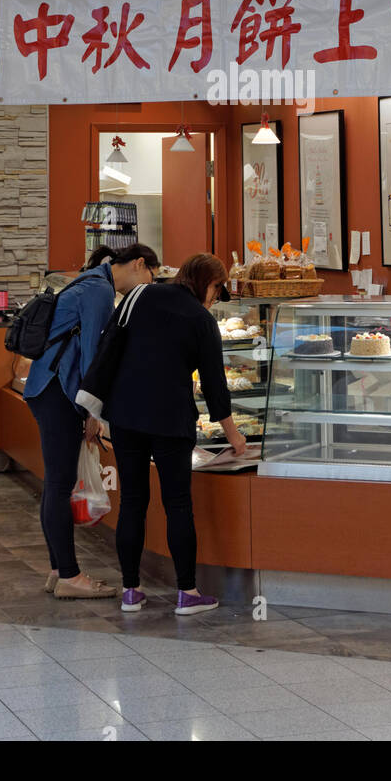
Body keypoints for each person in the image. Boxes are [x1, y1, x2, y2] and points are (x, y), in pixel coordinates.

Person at [104, 252, 246, 616]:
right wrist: (234, 437)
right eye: (217, 289)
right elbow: (216, 387)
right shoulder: (200, 319)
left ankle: (130, 592)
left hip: (125, 414)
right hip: (170, 420)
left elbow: (111, 346)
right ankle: (187, 592)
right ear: (208, 283)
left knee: (132, 501)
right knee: (177, 505)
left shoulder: (142, 295)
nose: (216, 298)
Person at [23, 242, 160, 598]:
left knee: (56, 482)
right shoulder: (99, 291)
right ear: (140, 265)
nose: (149, 285)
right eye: (150, 276)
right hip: (59, 391)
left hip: (47, 387)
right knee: (58, 483)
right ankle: (69, 576)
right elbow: (91, 358)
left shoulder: (89, 280)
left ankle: (59, 570)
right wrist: (92, 412)